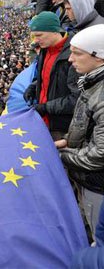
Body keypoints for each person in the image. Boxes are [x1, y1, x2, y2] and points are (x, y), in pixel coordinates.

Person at [57, 24, 104, 243]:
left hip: (98, 184)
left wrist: (64, 156)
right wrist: (68, 141)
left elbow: (101, 153)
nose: (69, 58)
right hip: (89, 180)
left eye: (77, 53)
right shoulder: (92, 82)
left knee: (98, 238)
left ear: (99, 57)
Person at [25, 11, 79, 139]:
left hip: (63, 128)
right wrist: (34, 87)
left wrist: (46, 107)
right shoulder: (45, 49)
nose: (35, 41)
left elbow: (77, 99)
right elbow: (48, 78)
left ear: (55, 31)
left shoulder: (73, 55)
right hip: (45, 121)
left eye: (39, 35)